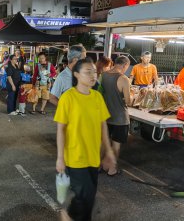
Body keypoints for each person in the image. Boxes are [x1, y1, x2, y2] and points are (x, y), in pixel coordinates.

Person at [55, 58, 116, 221]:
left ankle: (70, 214)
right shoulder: (68, 98)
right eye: (87, 72)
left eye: (94, 72)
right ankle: (68, 214)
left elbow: (103, 126)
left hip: (93, 156)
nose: (92, 75)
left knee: (89, 196)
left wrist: (109, 152)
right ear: (76, 74)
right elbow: (60, 130)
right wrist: (60, 158)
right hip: (74, 157)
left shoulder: (97, 97)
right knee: (85, 194)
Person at [101, 55, 131, 176]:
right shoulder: (123, 79)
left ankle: (101, 166)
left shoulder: (103, 75)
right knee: (116, 144)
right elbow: (128, 101)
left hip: (106, 116)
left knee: (104, 142)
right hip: (120, 118)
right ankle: (112, 169)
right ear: (125, 65)